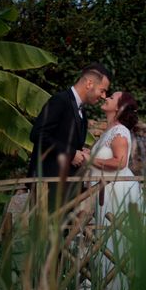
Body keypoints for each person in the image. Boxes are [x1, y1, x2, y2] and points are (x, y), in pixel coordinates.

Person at [87, 91, 146, 290]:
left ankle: (120, 289)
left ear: (119, 107)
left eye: (112, 97)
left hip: (116, 191)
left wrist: (89, 159)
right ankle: (107, 286)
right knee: (107, 238)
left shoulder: (119, 131)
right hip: (105, 190)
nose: (106, 98)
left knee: (118, 237)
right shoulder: (109, 130)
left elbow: (120, 162)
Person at [27, 62, 111, 203]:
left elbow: (65, 140)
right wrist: (71, 153)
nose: (104, 96)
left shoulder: (81, 110)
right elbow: (38, 134)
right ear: (89, 83)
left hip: (67, 187)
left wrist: (80, 151)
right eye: (102, 90)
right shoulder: (60, 101)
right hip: (48, 185)